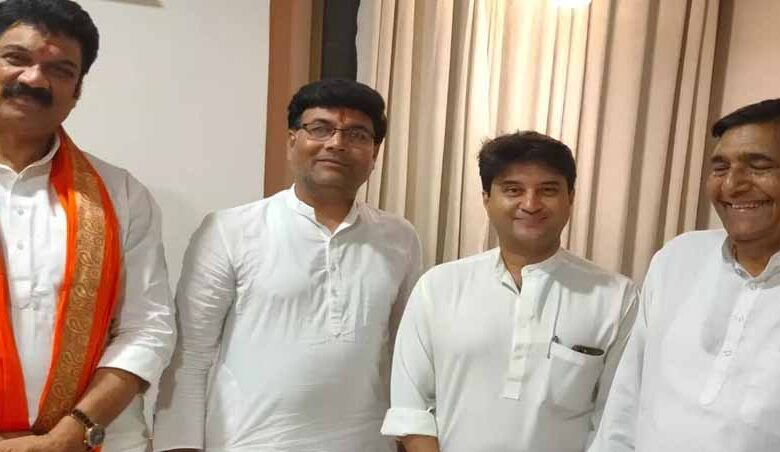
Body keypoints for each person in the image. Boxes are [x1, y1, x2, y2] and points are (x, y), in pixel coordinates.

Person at [153, 78, 423, 452]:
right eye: (320, 128)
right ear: (292, 140)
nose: (337, 143)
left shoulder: (399, 238)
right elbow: (190, 357)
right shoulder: (230, 230)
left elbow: (407, 357)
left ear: (375, 153)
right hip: (247, 443)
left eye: (357, 134)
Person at [382, 131, 637, 452]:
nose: (530, 204)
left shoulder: (616, 297)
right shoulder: (438, 287)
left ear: (571, 197)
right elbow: (411, 407)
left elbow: (615, 420)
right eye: (513, 190)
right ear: (486, 198)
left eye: (548, 190)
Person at [0, 0, 176, 450]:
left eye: (60, 70)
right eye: (16, 58)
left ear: (77, 91)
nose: (34, 79)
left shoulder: (122, 194)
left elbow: (148, 327)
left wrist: (71, 433)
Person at [590, 98, 780, 451]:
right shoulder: (678, 258)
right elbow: (627, 397)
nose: (732, 185)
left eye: (758, 166)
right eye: (720, 168)